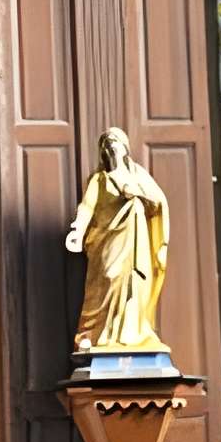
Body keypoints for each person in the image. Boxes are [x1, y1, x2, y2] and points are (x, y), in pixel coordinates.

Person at [64, 127, 170, 355]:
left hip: (135, 241)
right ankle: (98, 335)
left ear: (124, 148)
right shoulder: (99, 179)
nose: (110, 145)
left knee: (135, 283)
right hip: (108, 239)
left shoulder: (137, 174)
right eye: (106, 143)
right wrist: (77, 231)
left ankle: (132, 335)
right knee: (109, 278)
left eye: (114, 141)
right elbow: (87, 207)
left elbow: (157, 202)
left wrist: (137, 193)